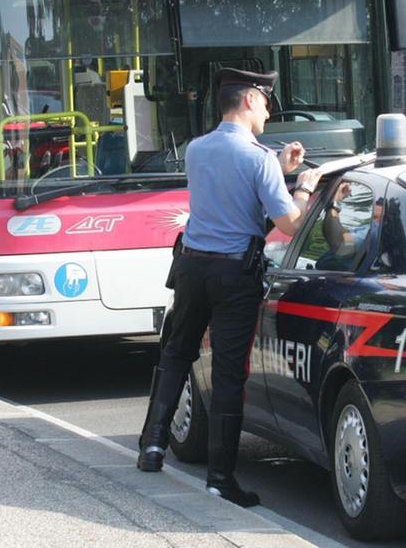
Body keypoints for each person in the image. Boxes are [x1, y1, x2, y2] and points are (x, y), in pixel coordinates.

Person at [136, 67, 322, 507]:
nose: (270, 112)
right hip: (233, 278)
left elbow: (230, 180)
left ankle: (152, 445)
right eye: (267, 102)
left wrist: (277, 167)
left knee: (176, 353)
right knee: (227, 375)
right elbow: (289, 225)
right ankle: (220, 478)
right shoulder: (257, 158)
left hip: (191, 270)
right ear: (252, 100)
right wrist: (303, 188)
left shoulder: (198, 150)